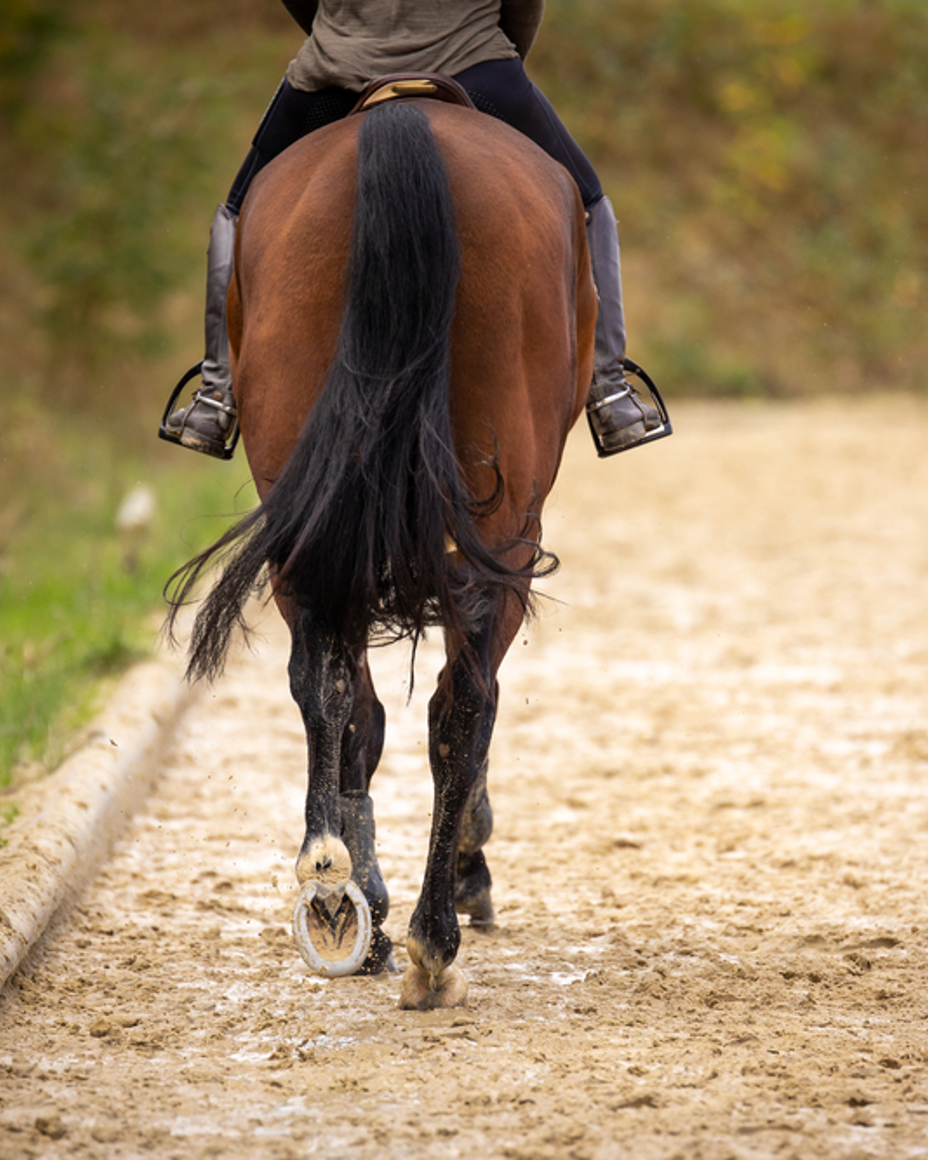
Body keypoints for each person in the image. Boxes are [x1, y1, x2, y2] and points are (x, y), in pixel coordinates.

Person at [163, 0, 670, 459]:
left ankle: (216, 395)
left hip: (335, 71)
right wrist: (499, 48)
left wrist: (344, 31)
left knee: (237, 209)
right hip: (477, 67)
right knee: (590, 200)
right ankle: (609, 389)